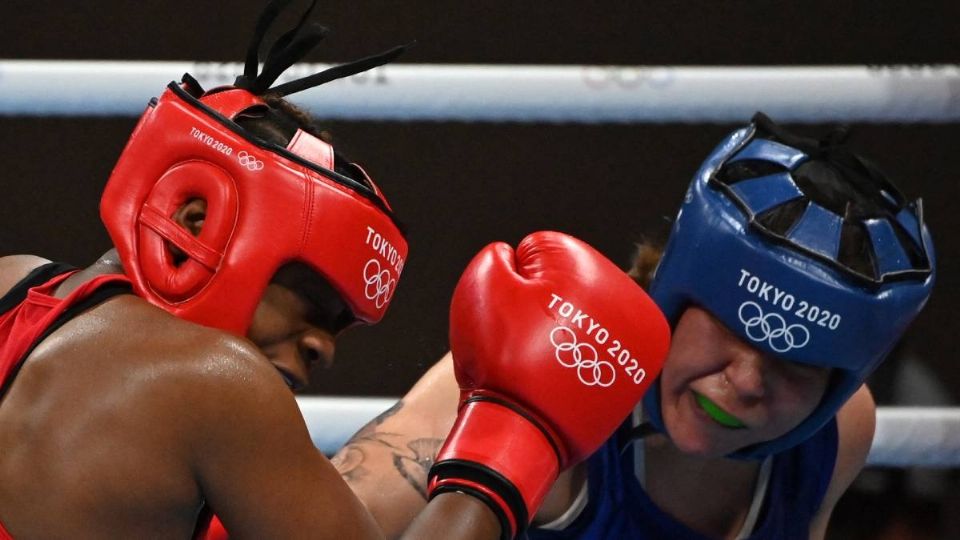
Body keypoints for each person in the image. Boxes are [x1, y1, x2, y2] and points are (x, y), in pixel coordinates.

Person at [0, 2, 671, 537]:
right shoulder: (217, 384)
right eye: (311, 298)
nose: (323, 346)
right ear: (194, 219)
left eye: (342, 325)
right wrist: (512, 444)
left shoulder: (14, 283)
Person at [334, 112, 936, 539]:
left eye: (796, 362)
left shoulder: (836, 435)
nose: (748, 381)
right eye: (732, 327)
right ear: (673, 296)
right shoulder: (564, 347)